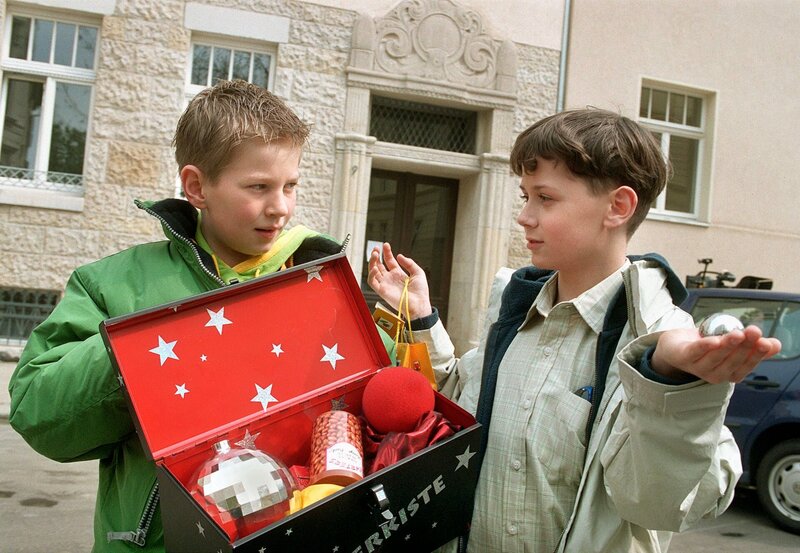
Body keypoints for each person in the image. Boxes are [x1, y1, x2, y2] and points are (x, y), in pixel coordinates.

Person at [367, 108, 782, 553]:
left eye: (545, 198)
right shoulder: (514, 311)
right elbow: (455, 404)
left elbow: (664, 505)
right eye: (525, 196)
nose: (524, 217)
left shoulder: (664, 343)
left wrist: (670, 386)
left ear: (618, 207)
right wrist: (423, 318)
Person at [8, 79, 393, 552]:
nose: (281, 208)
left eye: (290, 186)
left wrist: (408, 325)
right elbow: (40, 418)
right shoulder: (111, 284)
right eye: (258, 187)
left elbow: (390, 407)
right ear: (196, 186)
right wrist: (136, 349)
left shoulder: (317, 280)